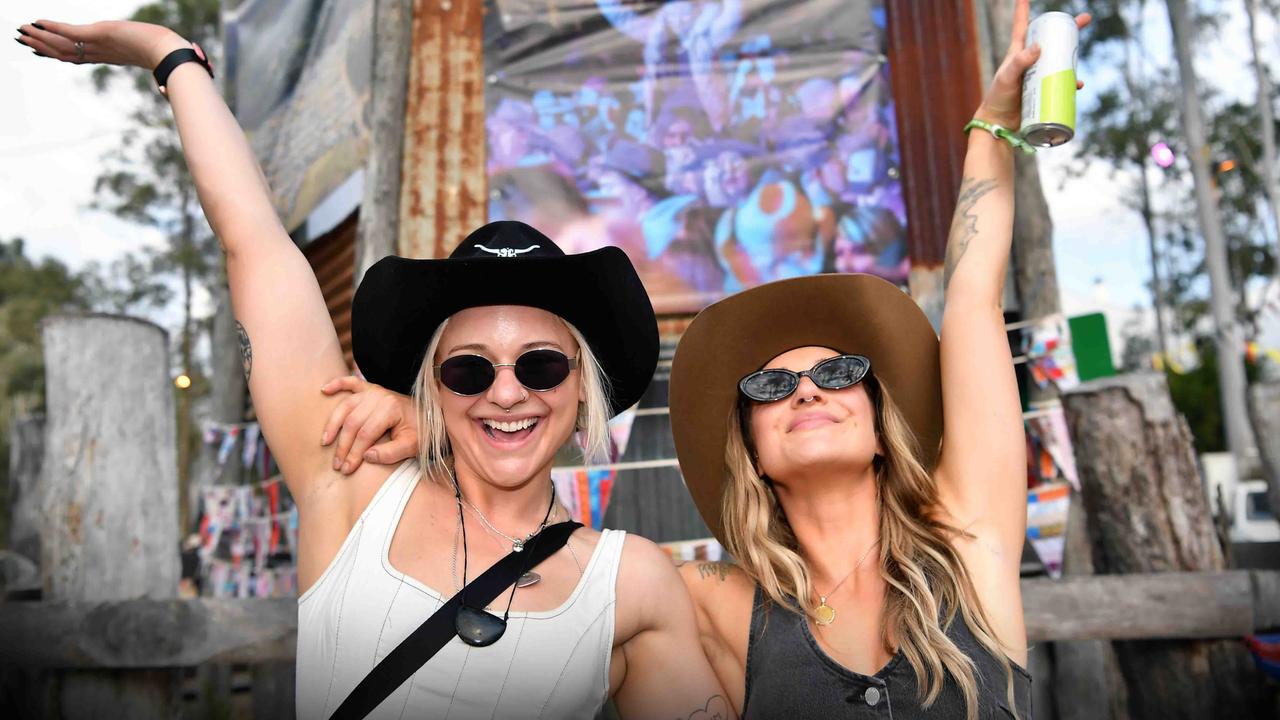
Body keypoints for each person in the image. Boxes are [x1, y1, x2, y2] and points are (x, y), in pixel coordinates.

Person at [322, 3, 1089, 718]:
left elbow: (975, 301)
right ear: (749, 446)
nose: (806, 391)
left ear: (883, 424)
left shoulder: (968, 542)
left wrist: (991, 124)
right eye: (772, 384)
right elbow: (550, 625)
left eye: (838, 373)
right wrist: (432, 415)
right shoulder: (710, 602)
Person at [19, 18, 733, 719]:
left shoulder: (630, 582)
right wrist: (170, 54)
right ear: (431, 390)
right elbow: (254, 239)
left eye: (542, 366)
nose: (507, 390)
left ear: (583, 390)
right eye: (468, 372)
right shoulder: (351, 484)